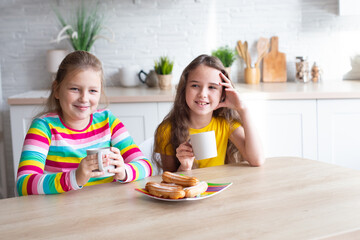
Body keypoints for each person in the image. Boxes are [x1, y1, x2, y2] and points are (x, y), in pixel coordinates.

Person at [16, 51, 153, 196]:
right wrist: (75, 178)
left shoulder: (108, 121)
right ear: (57, 89)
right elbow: (24, 184)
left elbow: (145, 165)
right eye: (75, 89)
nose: (84, 98)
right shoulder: (43, 127)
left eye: (93, 90)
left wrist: (124, 171)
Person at [154, 54, 264, 172]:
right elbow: (169, 182)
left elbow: (256, 160)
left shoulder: (226, 125)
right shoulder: (167, 130)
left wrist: (243, 109)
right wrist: (184, 167)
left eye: (212, 87)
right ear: (184, 89)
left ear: (223, 94)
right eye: (195, 85)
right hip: (191, 190)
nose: (202, 94)